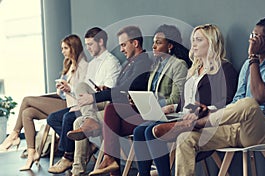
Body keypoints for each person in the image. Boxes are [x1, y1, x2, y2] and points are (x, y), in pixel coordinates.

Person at [173, 17, 265, 176]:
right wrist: (210, 112)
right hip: (234, 127)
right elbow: (237, 101)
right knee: (185, 138)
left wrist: (253, 58)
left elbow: (259, 97)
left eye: (256, 37)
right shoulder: (247, 65)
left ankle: (200, 123)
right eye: (252, 35)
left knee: (250, 103)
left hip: (261, 130)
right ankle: (201, 122)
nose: (251, 40)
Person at [133, 24, 238, 176]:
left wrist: (204, 111)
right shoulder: (194, 69)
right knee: (139, 130)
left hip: (202, 120)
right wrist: (172, 107)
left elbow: (227, 102)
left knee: (150, 131)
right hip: (182, 116)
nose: (193, 44)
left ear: (212, 42)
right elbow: (184, 102)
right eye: (193, 40)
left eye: (199, 40)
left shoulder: (225, 69)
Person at [88, 24, 190, 176]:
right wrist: (139, 100)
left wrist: (152, 102)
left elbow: (177, 98)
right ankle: (112, 162)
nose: (153, 46)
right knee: (113, 111)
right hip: (149, 111)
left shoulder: (178, 65)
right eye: (154, 42)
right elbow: (150, 92)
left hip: (164, 114)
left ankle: (111, 162)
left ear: (170, 45)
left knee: (118, 121)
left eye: (158, 42)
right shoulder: (156, 65)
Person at [46, 27, 121, 174]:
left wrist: (86, 100)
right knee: (53, 118)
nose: (87, 48)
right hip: (89, 103)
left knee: (69, 118)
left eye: (90, 44)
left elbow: (108, 92)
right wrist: (73, 95)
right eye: (86, 45)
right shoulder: (93, 64)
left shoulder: (112, 62)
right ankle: (87, 145)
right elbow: (83, 91)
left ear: (101, 41)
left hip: (102, 102)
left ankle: (68, 157)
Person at [16, 34, 88, 171]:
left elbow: (82, 92)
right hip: (64, 100)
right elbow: (62, 94)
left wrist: (68, 88)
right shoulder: (68, 64)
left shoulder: (84, 66)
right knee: (27, 112)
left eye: (65, 48)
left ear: (74, 48)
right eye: (62, 48)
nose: (63, 51)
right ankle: (32, 152)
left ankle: (14, 135)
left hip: (72, 104)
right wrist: (61, 89)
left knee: (26, 100)